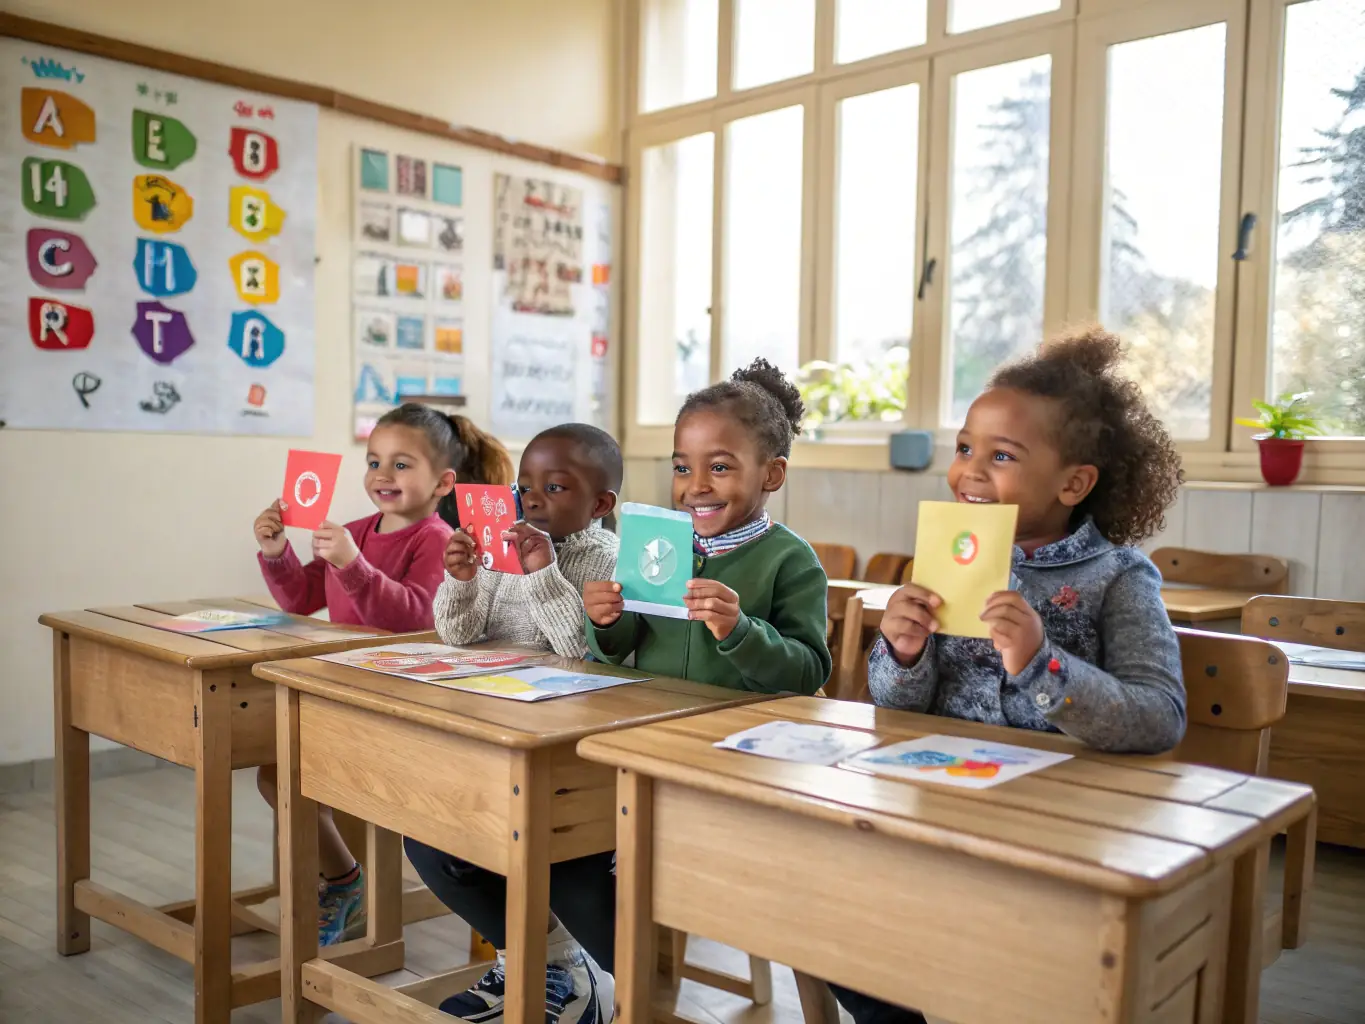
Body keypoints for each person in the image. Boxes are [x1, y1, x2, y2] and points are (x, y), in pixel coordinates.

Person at [836, 326, 1187, 1024]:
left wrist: (1039, 662)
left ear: (1073, 482)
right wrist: (902, 654)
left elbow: (1157, 716)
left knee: (1004, 960)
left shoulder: (1118, 578)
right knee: (832, 917)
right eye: (965, 447)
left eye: (1000, 456)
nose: (969, 470)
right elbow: (897, 707)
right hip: (939, 804)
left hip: (1061, 825)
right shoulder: (942, 556)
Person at [253, 403, 509, 946]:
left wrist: (352, 566)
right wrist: (276, 550)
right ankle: (346, 878)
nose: (382, 476)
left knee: (303, 778)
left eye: (401, 464)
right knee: (275, 775)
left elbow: (414, 617)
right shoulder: (354, 531)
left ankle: (346, 882)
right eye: (374, 462)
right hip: (345, 687)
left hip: (404, 699)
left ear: (443, 482)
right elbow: (302, 597)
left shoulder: (436, 541)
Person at [403, 423, 622, 1024]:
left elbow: (580, 649)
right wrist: (464, 579)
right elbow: (459, 633)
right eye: (526, 486)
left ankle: (583, 975)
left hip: (563, 744)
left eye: (556, 487)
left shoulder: (605, 559)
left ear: (600, 504)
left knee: (540, 850)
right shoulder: (504, 544)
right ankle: (548, 960)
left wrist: (542, 572)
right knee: (427, 831)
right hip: (491, 723)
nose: (534, 499)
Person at [583, 357, 833, 696]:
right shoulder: (660, 543)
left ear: (772, 474)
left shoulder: (790, 560)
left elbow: (808, 673)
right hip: (651, 722)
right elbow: (616, 650)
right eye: (682, 469)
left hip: (741, 732)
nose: (697, 486)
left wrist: (740, 631)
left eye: (719, 468)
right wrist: (606, 620)